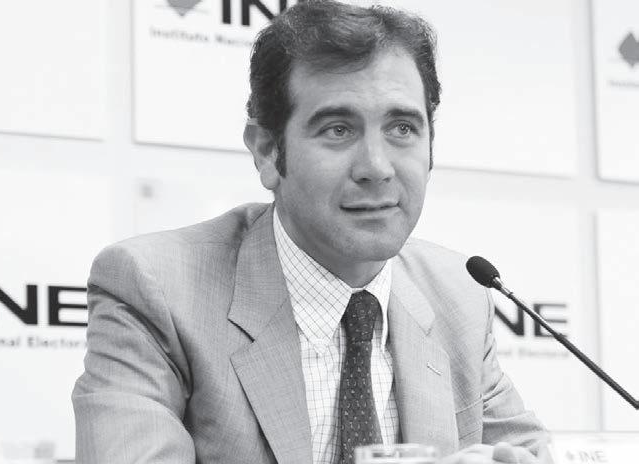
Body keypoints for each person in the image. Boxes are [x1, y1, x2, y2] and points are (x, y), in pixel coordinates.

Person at [73, 1, 552, 463]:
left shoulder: (458, 296)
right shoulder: (156, 289)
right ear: (267, 152)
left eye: (402, 128)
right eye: (338, 129)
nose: (376, 167)